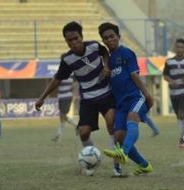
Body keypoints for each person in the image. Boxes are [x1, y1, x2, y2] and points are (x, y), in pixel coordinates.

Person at [35, 21, 121, 176]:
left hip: (107, 94)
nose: (73, 43)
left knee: (112, 124)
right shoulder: (68, 60)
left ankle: (116, 167)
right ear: (66, 42)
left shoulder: (94, 46)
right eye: (70, 40)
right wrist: (42, 97)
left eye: (76, 38)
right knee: (83, 132)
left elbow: (105, 53)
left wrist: (106, 66)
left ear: (81, 37)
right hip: (88, 100)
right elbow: (57, 79)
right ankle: (91, 159)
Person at [98, 22, 154, 176]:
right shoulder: (108, 61)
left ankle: (123, 153)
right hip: (120, 104)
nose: (109, 40)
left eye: (112, 36)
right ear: (103, 41)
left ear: (118, 36)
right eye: (106, 38)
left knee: (133, 117)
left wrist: (147, 94)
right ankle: (144, 165)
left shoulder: (126, 53)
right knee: (118, 137)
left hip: (135, 98)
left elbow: (134, 75)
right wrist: (105, 73)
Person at [163, 38, 184, 149]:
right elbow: (165, 75)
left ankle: (183, 140)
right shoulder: (169, 62)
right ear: (175, 47)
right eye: (177, 47)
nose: (179, 49)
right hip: (174, 91)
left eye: (182, 47)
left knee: (181, 114)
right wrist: (171, 81)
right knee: (179, 117)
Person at [51, 75, 78, 142]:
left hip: (67, 96)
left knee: (62, 116)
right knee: (63, 116)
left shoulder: (71, 73)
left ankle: (58, 135)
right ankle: (77, 126)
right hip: (60, 97)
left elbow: (76, 83)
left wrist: (74, 93)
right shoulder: (61, 72)